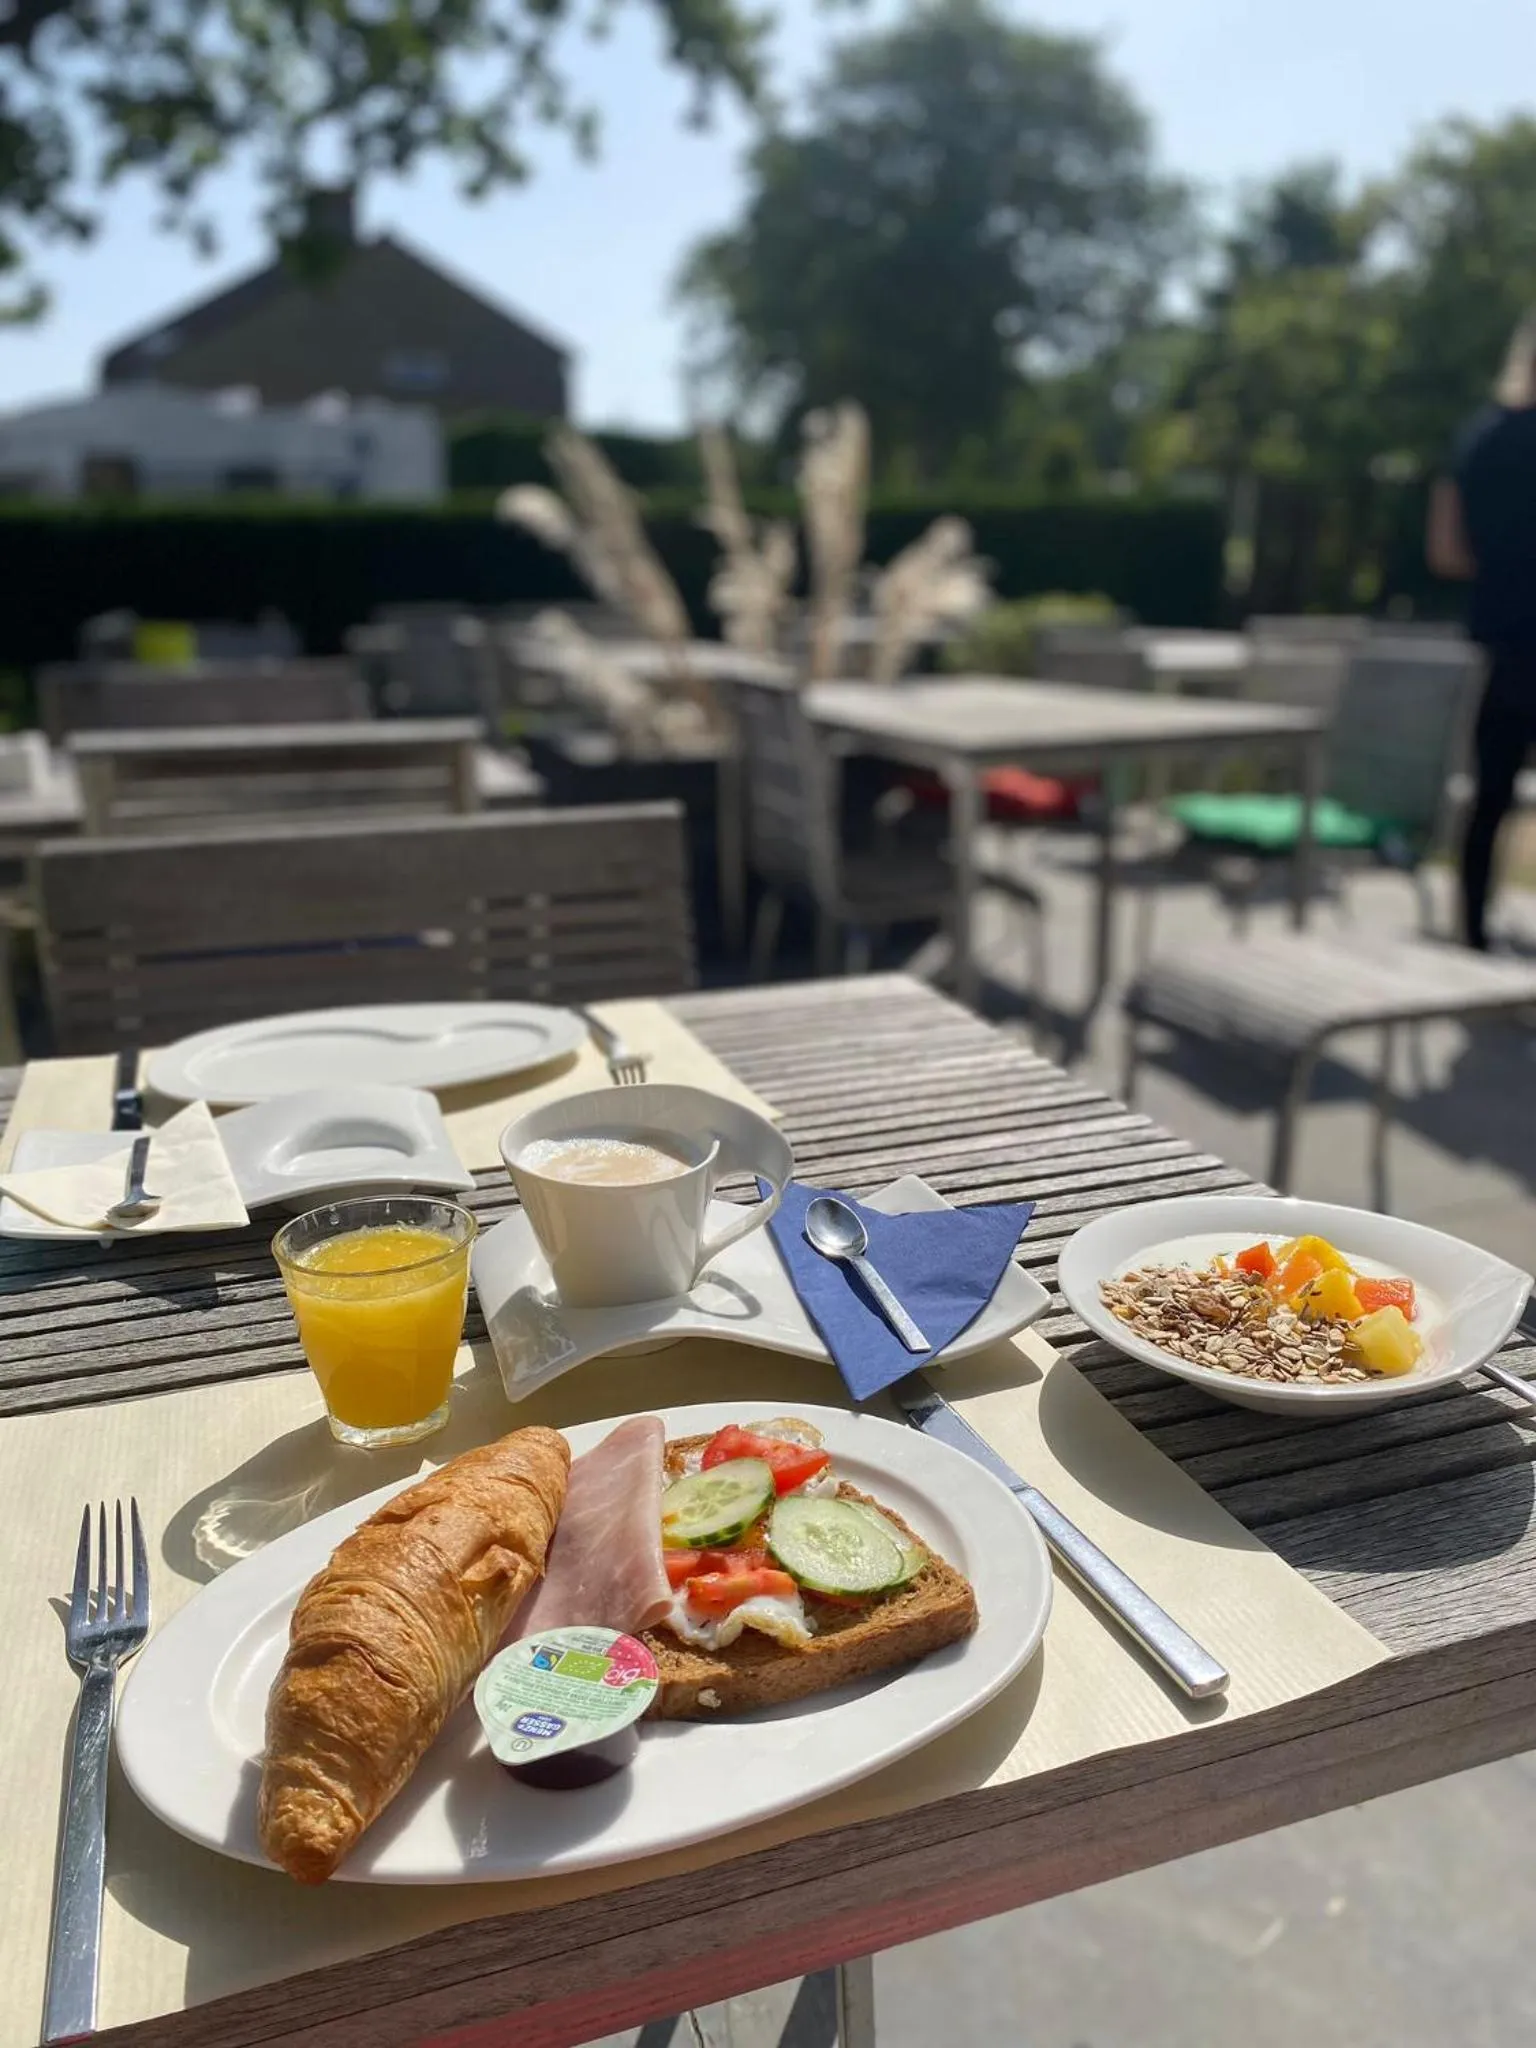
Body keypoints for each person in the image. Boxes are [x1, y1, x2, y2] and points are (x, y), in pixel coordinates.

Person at [1428, 310, 1536, 949]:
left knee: (1489, 796)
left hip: (1501, 642)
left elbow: (1445, 552)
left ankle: (1471, 936)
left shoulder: (1478, 440)